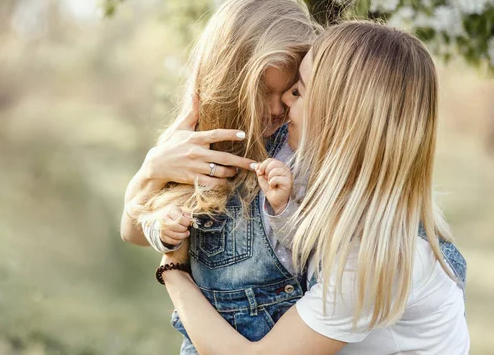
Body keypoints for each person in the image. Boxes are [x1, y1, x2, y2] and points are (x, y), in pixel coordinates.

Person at [158, 21, 470, 355]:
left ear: (337, 116)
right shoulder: (341, 189)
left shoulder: (377, 257)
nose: (286, 102)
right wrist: (155, 167)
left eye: (299, 90)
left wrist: (173, 270)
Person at [120, 0, 321, 353]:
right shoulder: (194, 145)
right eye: (262, 91)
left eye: (290, 91)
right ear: (230, 81)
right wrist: (155, 175)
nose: (278, 109)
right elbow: (132, 229)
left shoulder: (297, 148)